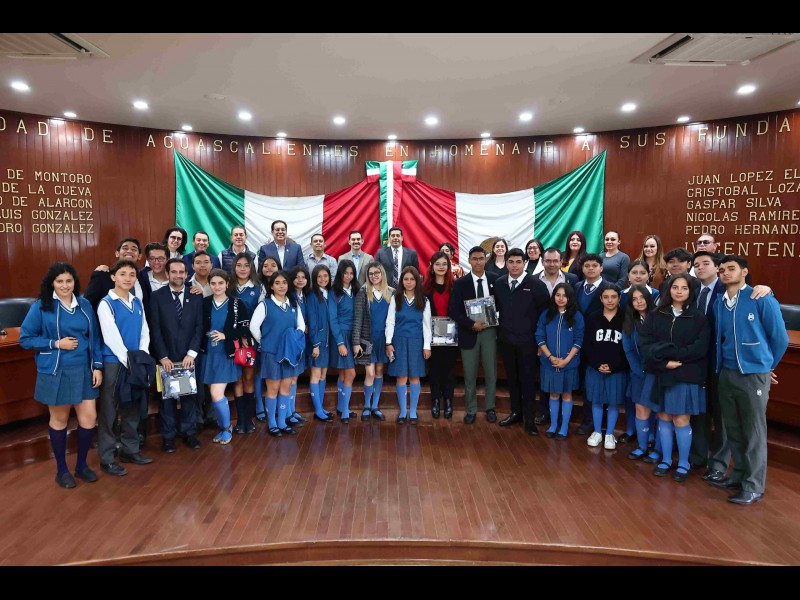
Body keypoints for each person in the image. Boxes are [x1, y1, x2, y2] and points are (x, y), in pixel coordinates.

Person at [709, 255, 788, 505]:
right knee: (733, 429)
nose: (725, 273)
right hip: (727, 373)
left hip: (753, 375)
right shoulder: (720, 303)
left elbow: (780, 338)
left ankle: (753, 486)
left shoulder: (760, 298)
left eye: (731, 268)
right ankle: (738, 475)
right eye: (722, 270)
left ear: (744, 271)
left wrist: (766, 366)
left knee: (753, 432)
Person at [19, 263, 104, 488]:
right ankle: (62, 470)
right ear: (52, 283)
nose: (65, 286)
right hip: (56, 370)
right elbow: (25, 338)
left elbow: (95, 338)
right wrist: (56, 343)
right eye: (60, 281)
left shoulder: (84, 304)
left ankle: (82, 466)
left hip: (84, 370)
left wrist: (97, 366)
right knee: (60, 420)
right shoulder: (41, 306)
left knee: (89, 418)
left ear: (75, 282)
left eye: (69, 281)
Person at [640, 273, 710, 483]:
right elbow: (646, 343)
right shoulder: (656, 314)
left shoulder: (699, 318)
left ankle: (684, 463)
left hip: (685, 374)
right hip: (661, 372)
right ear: (669, 289)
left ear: (691, 292)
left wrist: (674, 355)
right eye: (675, 287)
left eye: (684, 288)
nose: (679, 291)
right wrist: (664, 363)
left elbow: (700, 348)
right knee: (663, 416)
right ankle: (666, 460)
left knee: (681, 419)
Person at [96, 259, 153, 477]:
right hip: (114, 362)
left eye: (131, 274)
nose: (127, 278)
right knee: (110, 410)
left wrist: (141, 355)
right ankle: (107, 458)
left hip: (135, 361)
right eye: (122, 274)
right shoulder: (106, 304)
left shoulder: (137, 301)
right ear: (113, 277)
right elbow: (111, 337)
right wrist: (128, 360)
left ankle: (130, 450)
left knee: (131, 406)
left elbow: (144, 330)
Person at [149, 258, 203, 453]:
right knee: (167, 400)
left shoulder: (195, 295)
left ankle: (189, 433)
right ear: (167, 274)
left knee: (189, 397)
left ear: (187, 274)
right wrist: (163, 356)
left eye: (182, 272)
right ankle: (169, 436)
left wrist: (191, 354)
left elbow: (199, 327)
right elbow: (154, 329)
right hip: (167, 358)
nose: (178, 275)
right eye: (174, 272)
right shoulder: (157, 296)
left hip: (189, 357)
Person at [494, 248, 550, 435]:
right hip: (506, 341)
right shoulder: (500, 283)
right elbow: (494, 308)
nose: (515, 265)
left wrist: (541, 343)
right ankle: (516, 413)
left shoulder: (536, 284)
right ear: (506, 263)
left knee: (527, 381)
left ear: (525, 263)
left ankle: (529, 419)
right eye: (511, 262)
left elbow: (545, 315)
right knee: (512, 379)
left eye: (519, 262)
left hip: (528, 342)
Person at [249, 271, 306, 436]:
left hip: (288, 354)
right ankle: (272, 423)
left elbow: (301, 326)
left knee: (285, 388)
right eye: (277, 283)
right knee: (272, 389)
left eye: (284, 282)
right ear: (271, 286)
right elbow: (253, 326)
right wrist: (265, 341)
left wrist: (294, 340)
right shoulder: (265, 305)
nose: (281, 286)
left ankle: (282, 422)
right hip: (271, 353)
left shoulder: (294, 305)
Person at [200, 269, 253, 444]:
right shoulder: (204, 303)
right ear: (209, 284)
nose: (217, 287)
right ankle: (223, 427)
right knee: (213, 394)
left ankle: (226, 428)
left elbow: (244, 329)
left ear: (227, 284)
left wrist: (226, 335)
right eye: (213, 283)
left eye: (220, 283)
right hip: (208, 354)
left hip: (225, 354)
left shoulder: (237, 304)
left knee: (216, 393)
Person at [448, 246, 498, 424]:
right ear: (469, 261)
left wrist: (496, 317)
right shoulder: (461, 283)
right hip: (469, 332)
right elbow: (454, 311)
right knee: (469, 375)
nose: (478, 262)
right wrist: (471, 324)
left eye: (481, 258)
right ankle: (471, 409)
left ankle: (490, 408)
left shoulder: (495, 279)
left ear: (486, 260)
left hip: (490, 332)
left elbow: (502, 305)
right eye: (474, 259)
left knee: (491, 372)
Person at [690, 250, 728, 474]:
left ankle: (719, 464)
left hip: (720, 363)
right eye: (696, 265)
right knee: (699, 412)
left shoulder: (727, 290)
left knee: (720, 415)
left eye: (705, 263)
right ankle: (698, 456)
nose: (700, 268)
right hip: (697, 362)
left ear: (716, 267)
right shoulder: (693, 292)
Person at [534, 247, 578, 425]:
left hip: (567, 339)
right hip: (543, 338)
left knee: (566, 387)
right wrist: (540, 344)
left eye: (555, 261)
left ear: (561, 262)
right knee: (547, 381)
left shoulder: (572, 279)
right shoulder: (534, 280)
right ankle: (547, 414)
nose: (551, 264)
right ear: (542, 261)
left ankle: (563, 419)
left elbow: (575, 307)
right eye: (548, 260)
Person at [535, 282, 584, 439]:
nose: (561, 298)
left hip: (569, 364)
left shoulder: (577, 316)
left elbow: (579, 340)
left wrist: (567, 360)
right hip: (549, 363)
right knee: (554, 395)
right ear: (554, 296)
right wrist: (550, 356)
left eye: (565, 296)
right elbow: (539, 336)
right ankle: (553, 425)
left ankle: (564, 427)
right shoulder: (546, 314)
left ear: (570, 298)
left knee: (567, 395)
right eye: (558, 295)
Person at [582, 285, 628, 450]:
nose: (610, 300)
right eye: (606, 297)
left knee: (614, 402)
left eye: (613, 297)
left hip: (617, 369)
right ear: (601, 299)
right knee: (597, 400)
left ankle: (609, 433)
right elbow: (587, 344)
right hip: (595, 368)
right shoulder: (592, 317)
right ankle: (597, 432)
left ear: (619, 298)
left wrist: (615, 366)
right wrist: (596, 364)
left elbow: (627, 347)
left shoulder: (625, 318)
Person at [385, 266, 432, 424]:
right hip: (398, 341)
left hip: (417, 342)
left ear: (417, 281)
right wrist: (388, 342)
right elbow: (390, 322)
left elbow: (427, 325)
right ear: (402, 281)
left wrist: (427, 346)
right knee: (401, 376)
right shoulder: (396, 298)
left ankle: (413, 412)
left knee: (414, 376)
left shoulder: (424, 300)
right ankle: (403, 412)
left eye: (412, 279)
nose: (409, 282)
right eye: (406, 279)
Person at [621, 285, 661, 462]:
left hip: (658, 372)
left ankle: (658, 449)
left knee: (659, 411)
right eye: (634, 299)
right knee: (640, 409)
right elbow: (628, 350)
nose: (639, 302)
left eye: (642, 298)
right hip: (638, 373)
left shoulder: (659, 318)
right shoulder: (629, 322)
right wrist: (639, 370)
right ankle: (642, 446)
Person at [574, 254, 612, 436]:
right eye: (587, 265)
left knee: (601, 383)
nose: (590, 268)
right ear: (582, 268)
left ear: (601, 268)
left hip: (601, 343)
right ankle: (589, 420)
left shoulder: (609, 288)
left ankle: (601, 422)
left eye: (594, 265)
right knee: (586, 384)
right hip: (579, 342)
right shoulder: (577, 287)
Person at [352, 261, 394, 421]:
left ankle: (375, 406)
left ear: (382, 274)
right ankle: (367, 406)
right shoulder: (363, 293)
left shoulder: (391, 293)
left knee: (379, 371)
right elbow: (357, 319)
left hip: (384, 340)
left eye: (377, 273)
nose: (374, 276)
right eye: (370, 274)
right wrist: (356, 342)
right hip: (367, 340)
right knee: (370, 373)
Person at [423, 252, 457, 419]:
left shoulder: (455, 286)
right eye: (437, 264)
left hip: (452, 336)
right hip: (432, 336)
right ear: (432, 267)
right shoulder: (425, 288)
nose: (441, 267)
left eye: (444, 264)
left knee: (449, 370)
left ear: (448, 266)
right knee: (435, 369)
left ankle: (448, 401)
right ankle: (436, 400)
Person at [230, 252, 260, 434]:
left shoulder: (258, 288)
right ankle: (240, 420)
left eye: (246, 265)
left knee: (248, 378)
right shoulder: (228, 287)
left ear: (251, 268)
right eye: (239, 265)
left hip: (250, 341)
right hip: (232, 341)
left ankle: (249, 419)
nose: (242, 269)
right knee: (237, 379)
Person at [328, 259, 359, 422]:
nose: (348, 276)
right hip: (340, 335)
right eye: (345, 273)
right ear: (340, 274)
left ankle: (341, 407)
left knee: (343, 373)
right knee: (351, 373)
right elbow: (332, 319)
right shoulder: (334, 292)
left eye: (351, 273)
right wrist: (340, 342)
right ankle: (345, 411)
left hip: (353, 335)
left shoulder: (356, 290)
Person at [253, 255, 282, 421]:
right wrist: (261, 339)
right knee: (259, 371)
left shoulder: (284, 287)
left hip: (276, 337)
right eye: (266, 265)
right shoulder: (256, 286)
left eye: (273, 265)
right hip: (259, 336)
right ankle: (259, 405)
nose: (269, 268)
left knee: (275, 375)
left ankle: (276, 406)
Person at [307, 264, 335, 422]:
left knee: (323, 374)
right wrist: (315, 343)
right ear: (314, 278)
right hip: (317, 341)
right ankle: (317, 410)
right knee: (316, 375)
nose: (323, 279)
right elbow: (312, 321)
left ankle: (321, 407)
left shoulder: (329, 293)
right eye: (319, 276)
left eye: (325, 276)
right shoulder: (312, 295)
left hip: (327, 341)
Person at [84, 237, 144, 310]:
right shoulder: (102, 275)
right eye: (125, 248)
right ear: (117, 253)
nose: (129, 251)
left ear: (139, 256)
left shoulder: (143, 278)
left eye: (134, 249)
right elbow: (86, 304)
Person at [286, 265, 311, 427]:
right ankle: (287, 412)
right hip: (293, 341)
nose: (300, 280)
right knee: (290, 377)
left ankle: (293, 410)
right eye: (297, 277)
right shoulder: (289, 296)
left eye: (303, 277)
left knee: (295, 377)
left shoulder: (306, 296)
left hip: (303, 340)